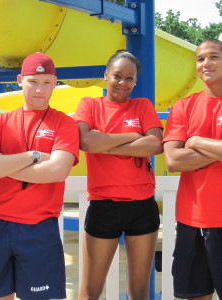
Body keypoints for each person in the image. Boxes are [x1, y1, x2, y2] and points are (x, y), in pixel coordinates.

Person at [0, 52, 79, 300]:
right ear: (20, 80)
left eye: (46, 83)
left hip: (40, 227)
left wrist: (3, 165)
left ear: (55, 83)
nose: (39, 90)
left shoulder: (64, 124)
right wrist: (33, 156)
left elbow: (57, 171)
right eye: (33, 81)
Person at [73, 50, 163, 300]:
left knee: (139, 291)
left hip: (142, 206)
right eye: (117, 76)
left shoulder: (142, 105)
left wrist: (108, 146)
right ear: (105, 76)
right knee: (90, 291)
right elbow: (87, 142)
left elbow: (155, 144)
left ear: (135, 81)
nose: (123, 83)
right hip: (104, 205)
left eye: (129, 78)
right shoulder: (90, 105)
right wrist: (133, 137)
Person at [163, 38, 222, 300]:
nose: (206, 63)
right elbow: (173, 160)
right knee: (195, 295)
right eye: (200, 59)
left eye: (214, 57)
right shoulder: (183, 107)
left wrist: (196, 141)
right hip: (191, 221)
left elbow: (185, 154)